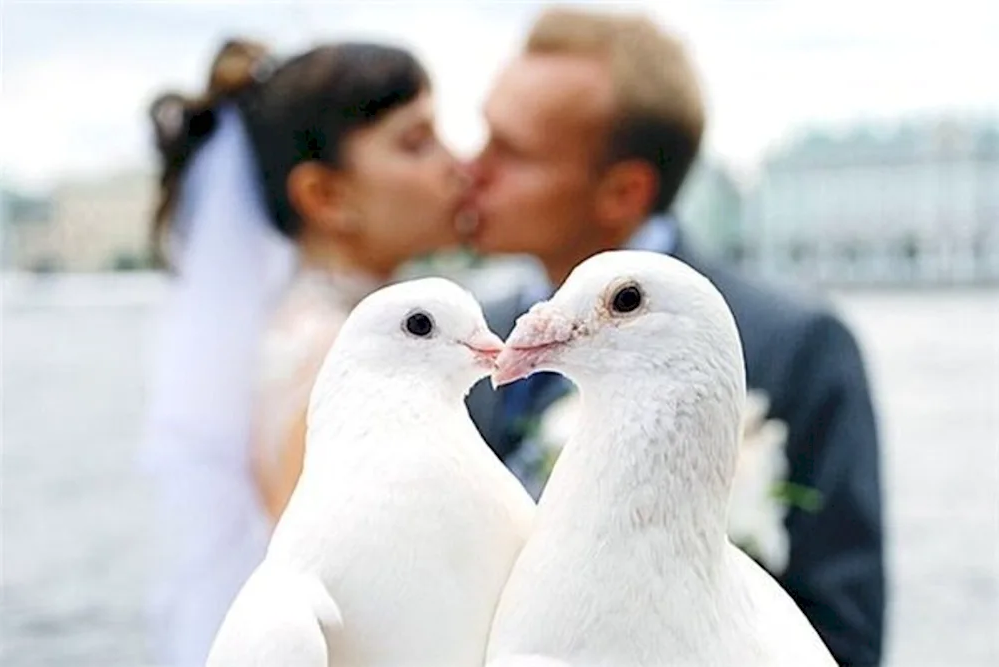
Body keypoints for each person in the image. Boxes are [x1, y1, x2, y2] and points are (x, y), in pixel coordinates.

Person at [463, 8, 886, 665]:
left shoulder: (798, 342)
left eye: (509, 151)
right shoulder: (462, 337)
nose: (472, 169)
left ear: (623, 189)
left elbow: (845, 628)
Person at [141, 38, 464, 666]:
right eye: (416, 143)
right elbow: (344, 592)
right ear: (325, 196)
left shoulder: (317, 329)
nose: (458, 164)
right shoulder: (331, 355)